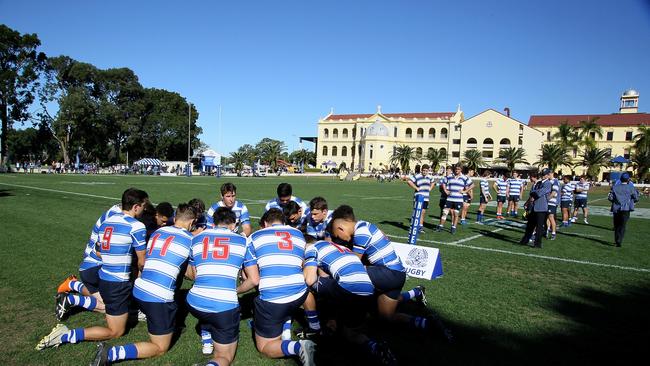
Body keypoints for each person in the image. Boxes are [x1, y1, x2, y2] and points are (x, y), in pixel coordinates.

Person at [37, 188, 149, 351]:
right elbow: (141, 262)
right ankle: (64, 335)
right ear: (136, 206)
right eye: (144, 206)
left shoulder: (107, 222)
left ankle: (73, 298)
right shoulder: (137, 226)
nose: (144, 210)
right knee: (116, 331)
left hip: (104, 277)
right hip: (117, 283)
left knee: (107, 307)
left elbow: (98, 251)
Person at [90, 203, 197, 365]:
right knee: (160, 348)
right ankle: (111, 354)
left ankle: (150, 316)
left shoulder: (158, 232)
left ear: (175, 218)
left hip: (138, 290)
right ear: (192, 222)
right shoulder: (191, 240)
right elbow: (192, 275)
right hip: (158, 298)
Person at [329, 205, 436, 335]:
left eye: (337, 235)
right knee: (386, 317)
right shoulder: (365, 225)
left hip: (389, 273)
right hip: (397, 275)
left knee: (351, 277)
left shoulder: (361, 232)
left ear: (340, 228)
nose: (339, 239)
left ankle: (349, 322)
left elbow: (353, 264)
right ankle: (427, 323)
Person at [237, 208, 316, 366]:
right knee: (286, 284)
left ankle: (298, 346)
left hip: (274, 300)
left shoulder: (254, 237)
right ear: (284, 222)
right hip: (300, 293)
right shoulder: (298, 234)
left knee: (264, 347)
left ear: (265, 223)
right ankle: (287, 325)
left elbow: (253, 280)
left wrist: (236, 291)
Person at [303, 239, 398, 365]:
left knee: (302, 284)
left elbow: (309, 280)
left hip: (349, 289)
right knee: (350, 333)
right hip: (367, 290)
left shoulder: (310, 248)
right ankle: (376, 347)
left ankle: (314, 328)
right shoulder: (337, 248)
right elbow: (327, 279)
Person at [186, 207, 248, 366]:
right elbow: (253, 279)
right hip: (223, 306)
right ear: (234, 223)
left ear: (213, 223)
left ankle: (207, 336)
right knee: (225, 357)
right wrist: (236, 290)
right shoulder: (243, 241)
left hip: (194, 301)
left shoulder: (196, 239)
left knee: (207, 305)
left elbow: (194, 275)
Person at [55, 203, 123, 320]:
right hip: (95, 263)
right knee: (112, 308)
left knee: (108, 301)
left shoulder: (114, 212)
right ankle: (72, 298)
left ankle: (72, 284)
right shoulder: (116, 218)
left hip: (91, 260)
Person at [520, 169, 552, 248]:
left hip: (541, 208)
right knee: (530, 225)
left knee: (539, 227)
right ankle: (525, 240)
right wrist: (534, 193)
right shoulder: (539, 183)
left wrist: (535, 193)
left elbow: (541, 192)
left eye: (545, 174)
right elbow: (533, 192)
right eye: (542, 174)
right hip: (535, 207)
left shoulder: (548, 183)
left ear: (548, 175)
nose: (543, 176)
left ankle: (537, 243)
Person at [608, 173, 639, 247]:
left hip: (616, 208)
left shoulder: (615, 187)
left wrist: (615, 201)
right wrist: (632, 201)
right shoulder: (631, 188)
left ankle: (616, 240)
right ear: (628, 179)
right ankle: (619, 240)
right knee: (623, 225)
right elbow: (636, 198)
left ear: (621, 179)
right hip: (626, 209)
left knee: (616, 225)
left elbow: (610, 198)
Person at [438, 165, 469, 234]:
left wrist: (465, 191)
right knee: (444, 212)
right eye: (456, 169)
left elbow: (472, 185)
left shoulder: (464, 177)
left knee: (456, 214)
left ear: (461, 169)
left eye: (458, 169)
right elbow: (443, 182)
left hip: (458, 200)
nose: (457, 170)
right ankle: (440, 226)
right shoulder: (450, 176)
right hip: (449, 198)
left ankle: (453, 228)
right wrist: (445, 190)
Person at [405, 163, 433, 232]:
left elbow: (433, 182)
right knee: (417, 212)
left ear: (428, 171)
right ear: (421, 170)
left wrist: (430, 188)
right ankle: (414, 226)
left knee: (423, 212)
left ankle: (420, 227)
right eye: (424, 170)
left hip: (426, 198)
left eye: (426, 171)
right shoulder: (417, 176)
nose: (425, 172)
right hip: (418, 197)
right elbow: (409, 181)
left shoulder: (430, 177)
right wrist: (416, 188)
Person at [546, 171, 560, 240]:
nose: (547, 175)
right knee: (547, 217)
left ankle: (553, 233)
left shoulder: (555, 182)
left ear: (552, 174)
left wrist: (547, 199)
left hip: (551, 202)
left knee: (551, 217)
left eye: (548, 174)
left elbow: (554, 192)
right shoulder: (548, 181)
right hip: (547, 202)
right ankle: (547, 230)